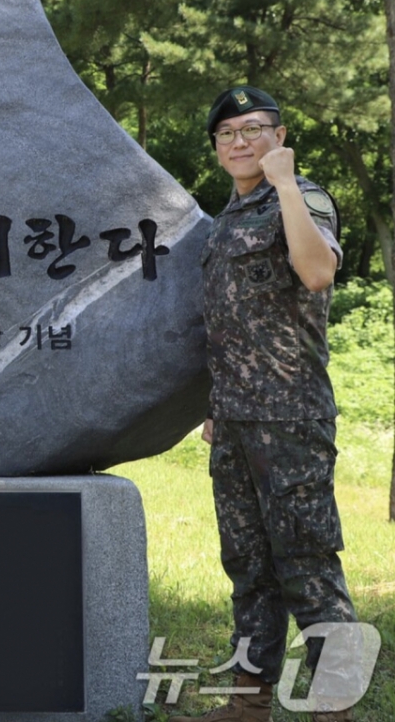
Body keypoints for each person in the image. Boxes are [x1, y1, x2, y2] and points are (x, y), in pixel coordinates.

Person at [172, 87, 357, 722]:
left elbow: (317, 273)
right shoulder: (226, 220)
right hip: (234, 420)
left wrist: (284, 185)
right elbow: (231, 323)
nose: (239, 142)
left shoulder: (301, 199)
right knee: (248, 566)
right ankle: (248, 702)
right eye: (226, 133)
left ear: (279, 137)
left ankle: (334, 705)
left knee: (307, 563)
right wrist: (217, 405)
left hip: (291, 418)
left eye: (253, 129)